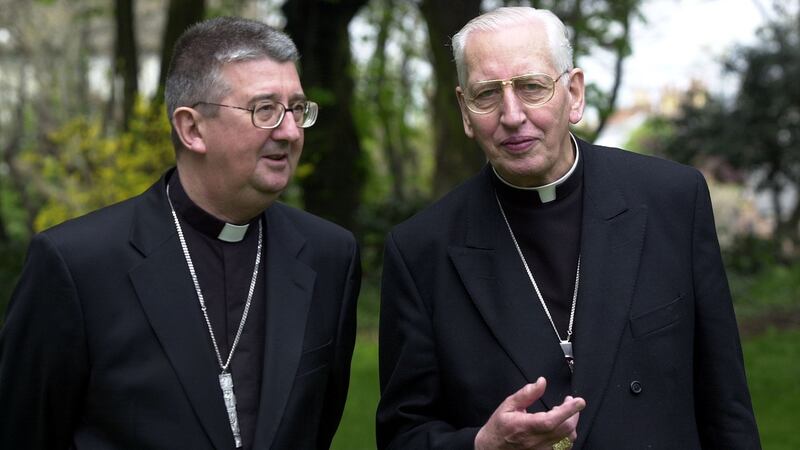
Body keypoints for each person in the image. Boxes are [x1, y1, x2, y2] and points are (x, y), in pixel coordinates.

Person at [376, 6, 760, 450]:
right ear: (465, 111)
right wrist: (481, 446)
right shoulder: (421, 249)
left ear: (574, 93)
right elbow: (402, 435)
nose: (512, 114)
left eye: (532, 87)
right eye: (487, 95)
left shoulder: (672, 200)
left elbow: (726, 405)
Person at [0, 17, 360, 450]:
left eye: (297, 109)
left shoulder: (329, 255)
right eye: (265, 109)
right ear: (192, 128)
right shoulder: (76, 265)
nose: (289, 131)